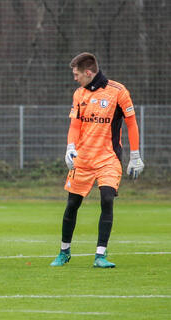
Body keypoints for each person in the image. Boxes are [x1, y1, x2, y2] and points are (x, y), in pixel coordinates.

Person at [50, 52, 144, 268]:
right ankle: (64, 251)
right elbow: (75, 124)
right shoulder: (78, 94)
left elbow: (131, 123)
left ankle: (100, 255)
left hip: (108, 158)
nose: (75, 78)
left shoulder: (118, 92)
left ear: (89, 72)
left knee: (107, 199)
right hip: (82, 159)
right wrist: (70, 147)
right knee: (72, 204)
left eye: (77, 74)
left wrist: (136, 155)